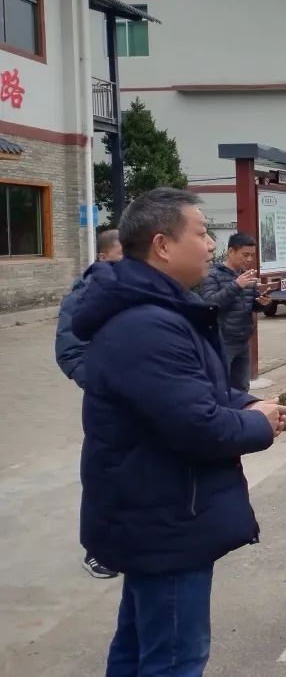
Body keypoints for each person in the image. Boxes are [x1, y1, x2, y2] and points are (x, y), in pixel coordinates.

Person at [72, 188, 286, 677]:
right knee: (174, 659)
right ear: (162, 245)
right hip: (165, 516)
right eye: (202, 233)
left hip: (156, 512)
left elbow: (194, 390)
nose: (211, 245)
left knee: (139, 647)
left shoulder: (161, 311)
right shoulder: (147, 325)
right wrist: (257, 423)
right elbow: (196, 424)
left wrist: (245, 402)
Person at [54, 228, 124, 579]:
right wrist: (100, 384)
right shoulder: (83, 296)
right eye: (121, 256)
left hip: (138, 399)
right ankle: (96, 550)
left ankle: (126, 539)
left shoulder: (133, 291)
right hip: (106, 403)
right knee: (102, 474)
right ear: (103, 256)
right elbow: (69, 351)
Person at [198, 232, 271, 391]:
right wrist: (237, 285)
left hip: (243, 340)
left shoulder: (245, 276)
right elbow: (210, 304)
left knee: (242, 387)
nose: (249, 259)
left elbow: (250, 304)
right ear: (231, 251)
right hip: (222, 340)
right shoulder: (212, 275)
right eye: (245, 255)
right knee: (221, 387)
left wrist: (262, 303)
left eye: (252, 255)